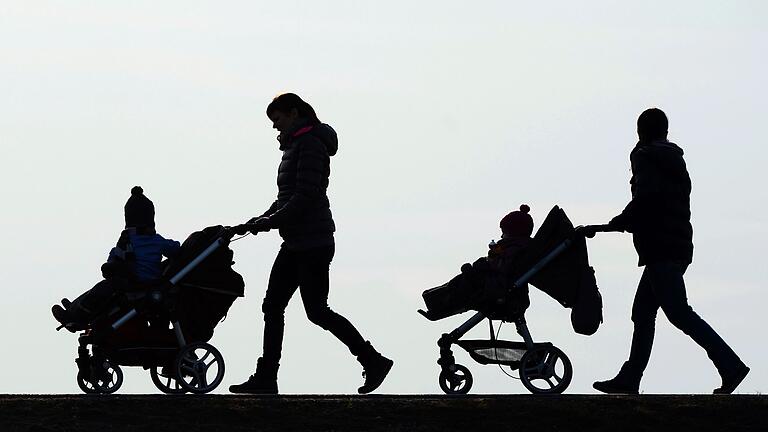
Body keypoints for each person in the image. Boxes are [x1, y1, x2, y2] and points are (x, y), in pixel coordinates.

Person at [229, 93, 393, 394]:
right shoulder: (295, 146)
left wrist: (269, 222)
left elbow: (305, 196)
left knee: (317, 311)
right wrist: (260, 219)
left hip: (313, 242)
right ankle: (267, 376)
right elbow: (286, 197)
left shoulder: (311, 145)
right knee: (273, 306)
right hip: (295, 241)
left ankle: (372, 360)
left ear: (294, 113)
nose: (275, 127)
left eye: (277, 120)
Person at [588, 108, 749, 394]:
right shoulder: (674, 160)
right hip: (676, 244)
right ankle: (630, 377)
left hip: (661, 247)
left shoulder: (645, 156)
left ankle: (730, 365)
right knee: (643, 312)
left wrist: (620, 222)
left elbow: (647, 197)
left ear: (641, 130)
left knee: (678, 312)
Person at [52, 186, 181, 326]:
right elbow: (175, 249)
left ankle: (76, 314)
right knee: (103, 289)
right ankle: (74, 308)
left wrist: (111, 265)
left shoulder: (126, 240)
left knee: (100, 290)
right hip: (150, 281)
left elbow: (114, 258)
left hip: (135, 283)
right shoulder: (157, 240)